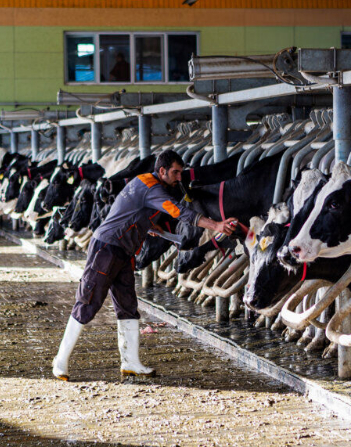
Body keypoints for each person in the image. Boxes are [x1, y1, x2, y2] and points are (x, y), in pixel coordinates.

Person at [52, 149, 239, 380]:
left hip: (123, 250)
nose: (179, 177)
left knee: (127, 305)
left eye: (180, 172)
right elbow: (179, 211)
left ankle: (130, 362)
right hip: (107, 248)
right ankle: (60, 360)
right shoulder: (153, 188)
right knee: (88, 300)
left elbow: (127, 209)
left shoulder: (143, 181)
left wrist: (146, 225)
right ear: (162, 170)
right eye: (175, 172)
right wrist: (217, 225)